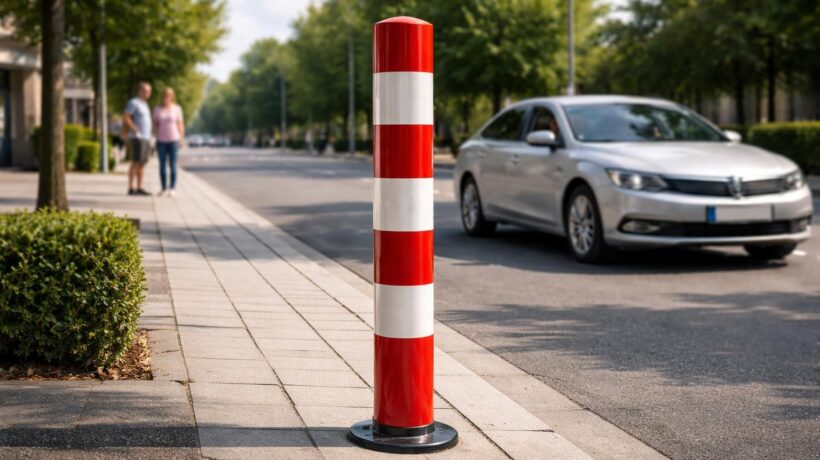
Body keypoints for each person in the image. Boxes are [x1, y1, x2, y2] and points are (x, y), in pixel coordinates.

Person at [153, 88, 185, 197]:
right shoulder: (157, 109)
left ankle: (172, 188)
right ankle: (163, 187)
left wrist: (181, 138)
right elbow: (155, 125)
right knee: (162, 165)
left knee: (173, 165)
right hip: (161, 141)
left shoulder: (177, 109)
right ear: (163, 95)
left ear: (172, 96)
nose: (167, 96)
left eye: (169, 94)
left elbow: (180, 124)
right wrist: (154, 138)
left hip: (174, 140)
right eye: (165, 94)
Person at [123, 82, 152, 195]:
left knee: (142, 162)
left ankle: (140, 187)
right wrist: (134, 127)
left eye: (149, 91)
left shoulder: (145, 104)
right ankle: (131, 188)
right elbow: (126, 116)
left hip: (146, 137)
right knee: (135, 162)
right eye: (145, 91)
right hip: (137, 137)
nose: (147, 93)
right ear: (140, 91)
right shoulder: (134, 102)